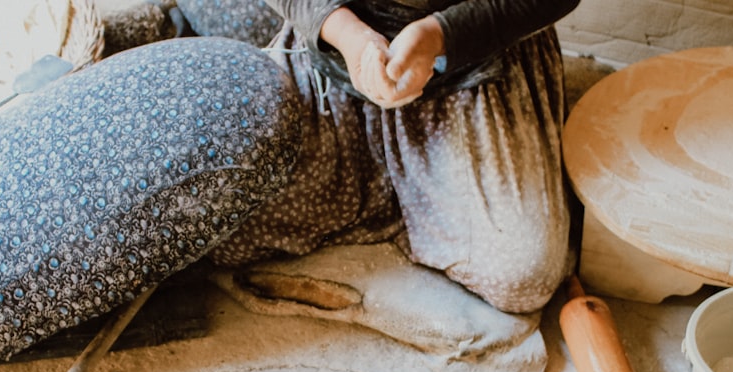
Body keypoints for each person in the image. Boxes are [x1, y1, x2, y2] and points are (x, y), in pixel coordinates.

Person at [206, 0, 582, 315]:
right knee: (219, 229)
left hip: (472, 59)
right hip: (338, 50)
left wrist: (437, 36)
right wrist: (349, 36)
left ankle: (418, 196)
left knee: (521, 275)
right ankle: (411, 199)